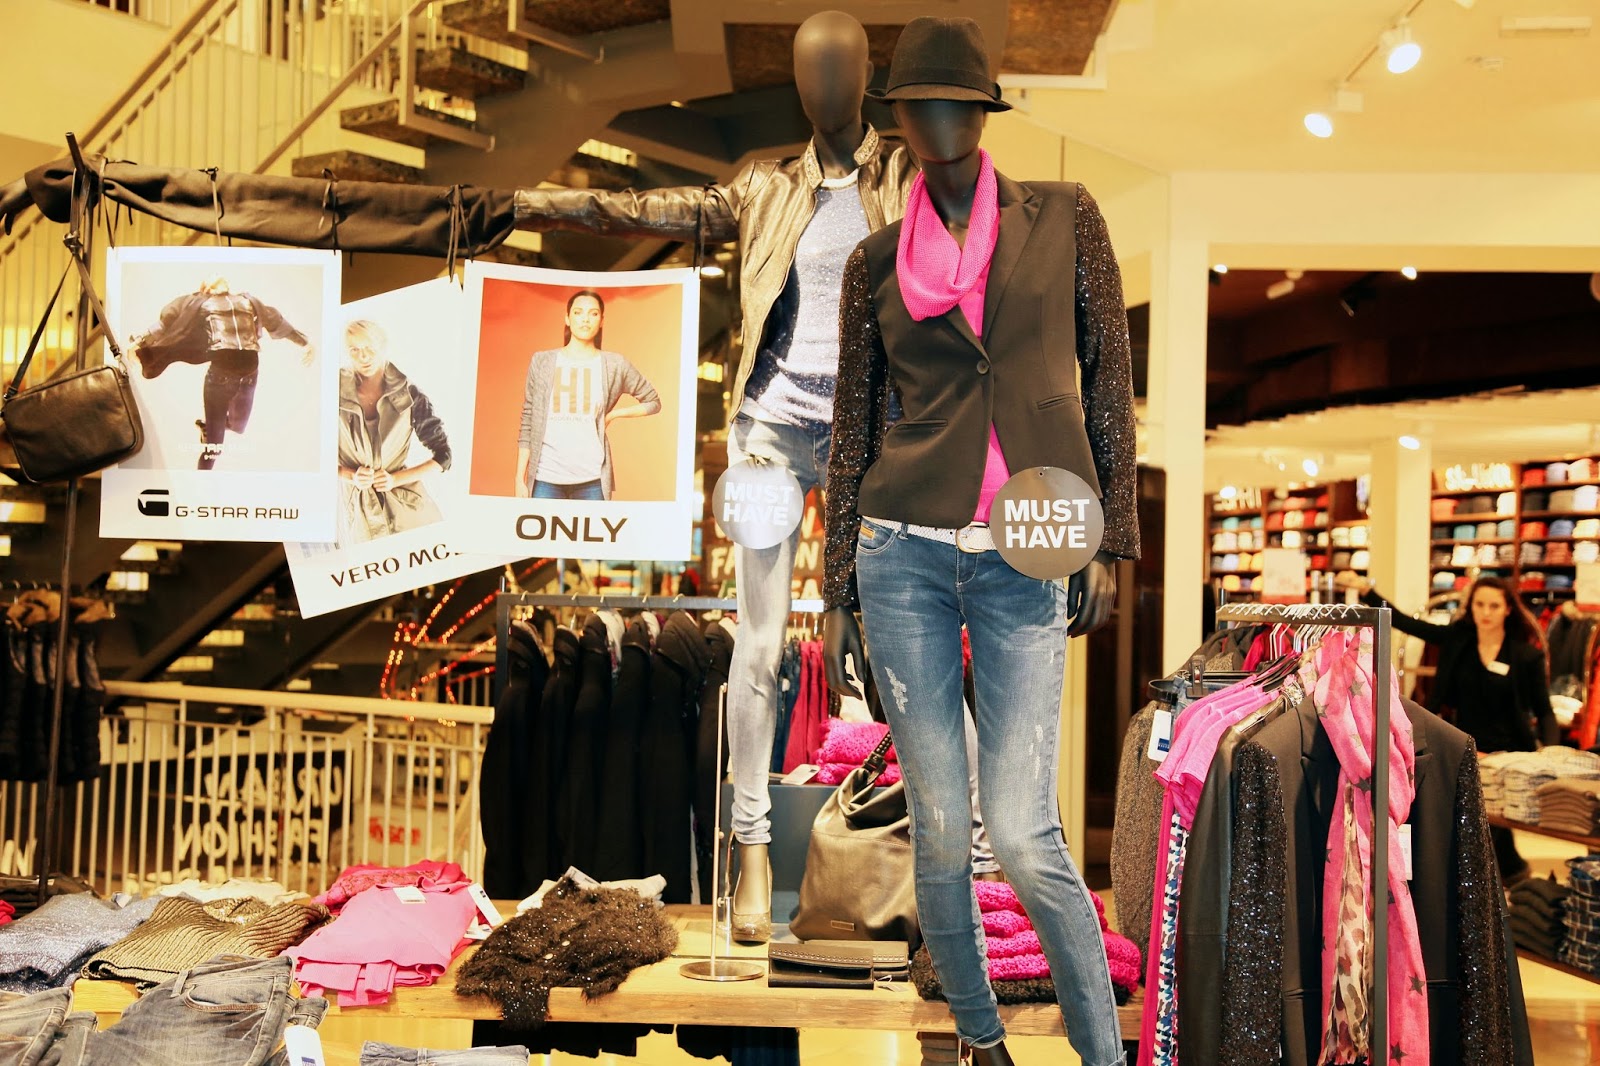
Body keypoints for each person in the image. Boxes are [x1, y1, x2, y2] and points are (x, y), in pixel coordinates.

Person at [513, 11, 1006, 945]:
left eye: (841, 72)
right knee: (761, 645)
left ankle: (969, 854)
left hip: (875, 437)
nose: (826, 89)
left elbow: (981, 240)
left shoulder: (906, 177)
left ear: (866, 79)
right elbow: (645, 211)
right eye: (810, 74)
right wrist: (523, 206)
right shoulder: (764, 187)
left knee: (907, 641)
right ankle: (751, 853)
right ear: (797, 83)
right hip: (771, 432)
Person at [822, 18, 1137, 1066]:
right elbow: (853, 428)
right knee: (943, 829)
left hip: (1027, 547)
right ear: (901, 121)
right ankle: (980, 1040)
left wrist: (1112, 539)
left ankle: (1104, 1053)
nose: (938, 120)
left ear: (983, 114)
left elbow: (1107, 375)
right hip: (901, 547)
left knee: (1025, 831)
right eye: (919, 105)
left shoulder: (1065, 217)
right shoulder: (873, 262)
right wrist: (837, 591)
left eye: (956, 102)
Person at [1356, 574, 1557, 883]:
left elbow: (1543, 710)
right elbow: (1407, 623)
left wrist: (1551, 753)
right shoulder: (1458, 641)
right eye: (1479, 604)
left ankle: (1504, 873)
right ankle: (1501, 873)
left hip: (1509, 754)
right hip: (1466, 745)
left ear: (1507, 609)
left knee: (1490, 824)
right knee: (1472, 819)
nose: (1485, 612)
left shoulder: (1526, 655)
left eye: (1494, 606)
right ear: (1470, 607)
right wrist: (1368, 592)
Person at [130, 275, 315, 470]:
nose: (217, 282)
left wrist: (304, 343)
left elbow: (276, 321)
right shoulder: (199, 303)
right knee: (214, 450)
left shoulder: (248, 301)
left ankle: (208, 428)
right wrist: (139, 341)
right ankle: (202, 476)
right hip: (219, 379)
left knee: (238, 427)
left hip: (249, 377)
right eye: (211, 282)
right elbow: (166, 321)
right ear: (205, 288)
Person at [515, 289, 660, 501]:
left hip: (592, 480)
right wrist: (519, 477)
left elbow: (653, 401)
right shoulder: (542, 361)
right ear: (567, 318)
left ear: (601, 321)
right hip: (545, 477)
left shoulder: (614, 364)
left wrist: (614, 415)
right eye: (578, 312)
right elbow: (528, 419)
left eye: (593, 313)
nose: (585, 319)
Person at [335, 318, 452, 545]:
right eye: (354, 350)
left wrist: (394, 480)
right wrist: (351, 476)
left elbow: (444, 457)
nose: (363, 356)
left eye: (370, 347)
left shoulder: (410, 394)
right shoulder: (331, 392)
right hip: (356, 516)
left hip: (409, 513)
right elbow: (311, 458)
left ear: (383, 345)